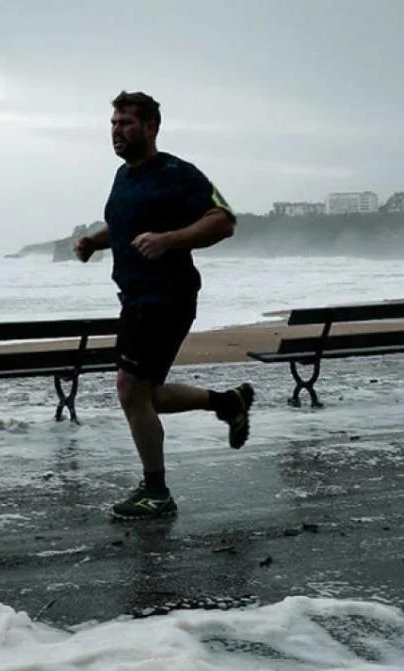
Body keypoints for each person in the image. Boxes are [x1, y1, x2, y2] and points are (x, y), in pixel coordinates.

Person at [73, 91, 254, 520]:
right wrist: (94, 242)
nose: (116, 131)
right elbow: (123, 225)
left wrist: (167, 240)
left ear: (151, 127)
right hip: (135, 298)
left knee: (129, 390)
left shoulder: (176, 172)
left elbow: (223, 220)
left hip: (166, 296)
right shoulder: (124, 177)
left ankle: (156, 494)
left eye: (126, 123)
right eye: (113, 123)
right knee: (145, 394)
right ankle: (227, 403)